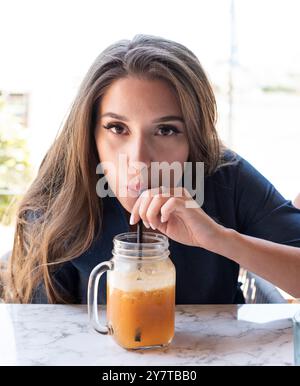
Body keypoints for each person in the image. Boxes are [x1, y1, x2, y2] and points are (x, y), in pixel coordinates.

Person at [4, 34, 300, 304]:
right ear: (90, 132)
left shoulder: (224, 175)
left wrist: (220, 238)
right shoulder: (60, 193)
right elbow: (43, 338)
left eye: (166, 130)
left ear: (194, 137)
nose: (139, 159)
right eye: (117, 128)